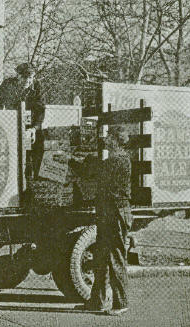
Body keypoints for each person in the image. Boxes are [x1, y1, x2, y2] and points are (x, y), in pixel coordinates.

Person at [79, 126, 133, 316]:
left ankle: (121, 303)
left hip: (115, 213)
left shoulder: (118, 160)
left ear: (117, 140)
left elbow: (93, 172)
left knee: (115, 257)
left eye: (109, 137)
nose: (106, 139)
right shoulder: (114, 160)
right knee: (101, 257)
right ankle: (97, 301)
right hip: (108, 213)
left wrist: (73, 161)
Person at [0, 62, 45, 178]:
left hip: (30, 127)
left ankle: (35, 181)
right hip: (13, 125)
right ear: (18, 75)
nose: (27, 81)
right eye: (24, 77)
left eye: (30, 78)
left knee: (36, 152)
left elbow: (41, 110)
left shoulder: (37, 86)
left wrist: (34, 129)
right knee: (14, 159)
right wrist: (0, 123)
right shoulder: (8, 84)